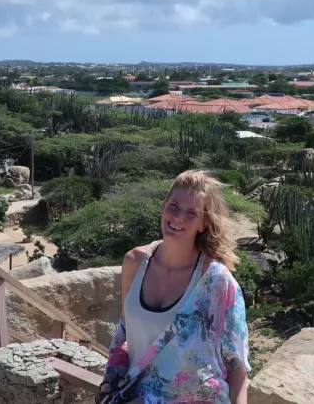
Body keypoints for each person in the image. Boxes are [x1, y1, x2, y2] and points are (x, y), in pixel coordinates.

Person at [98, 170, 250, 403]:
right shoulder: (134, 263)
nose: (178, 217)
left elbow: (237, 366)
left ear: (204, 224)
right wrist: (110, 380)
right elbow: (125, 333)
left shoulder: (216, 280)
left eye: (191, 213)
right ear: (163, 206)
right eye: (174, 206)